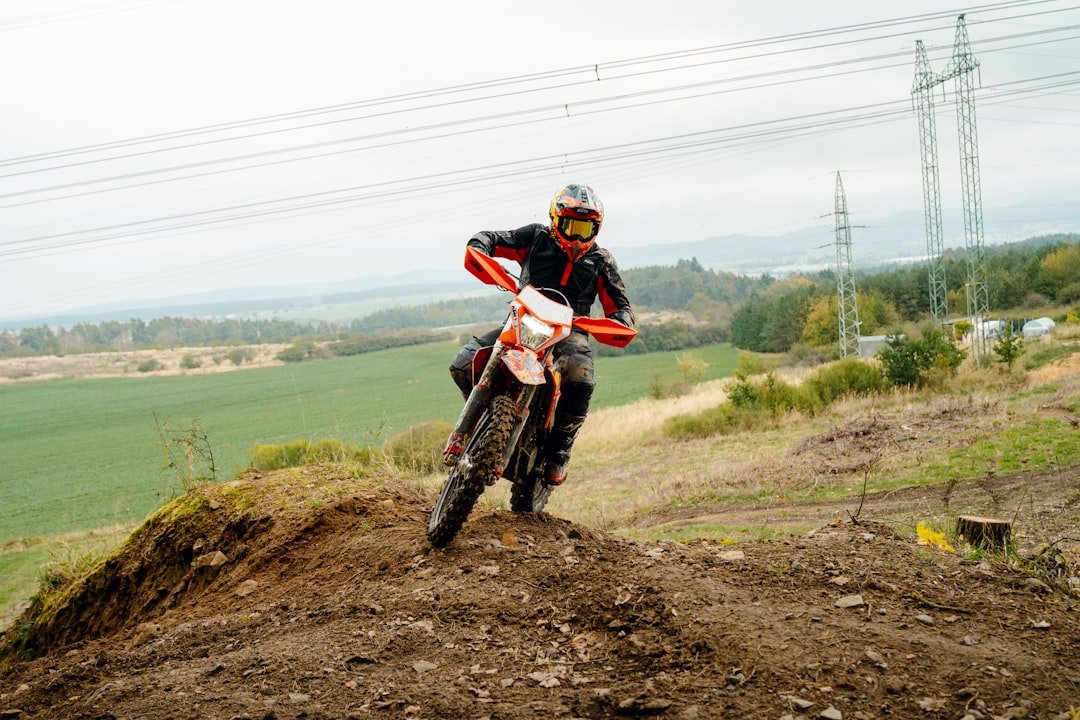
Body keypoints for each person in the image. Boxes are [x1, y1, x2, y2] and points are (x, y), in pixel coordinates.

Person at [449, 183, 635, 486]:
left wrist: (620, 322)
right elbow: (495, 239)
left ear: (596, 230)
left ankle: (560, 450)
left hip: (570, 334)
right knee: (463, 362)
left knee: (580, 380)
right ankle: (484, 416)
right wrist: (479, 245)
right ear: (555, 219)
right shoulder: (536, 237)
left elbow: (620, 307)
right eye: (571, 225)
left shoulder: (601, 262)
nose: (577, 236)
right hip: (524, 320)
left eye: (585, 229)